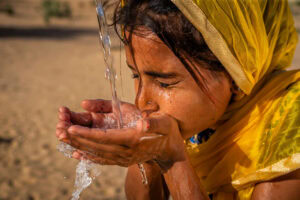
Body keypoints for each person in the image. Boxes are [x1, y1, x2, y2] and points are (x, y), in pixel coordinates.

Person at [55, 0, 300, 199]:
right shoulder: (199, 118)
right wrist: (148, 154)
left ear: (236, 76)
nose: (142, 102)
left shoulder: (286, 126)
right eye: (135, 75)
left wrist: (172, 157)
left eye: (164, 82)